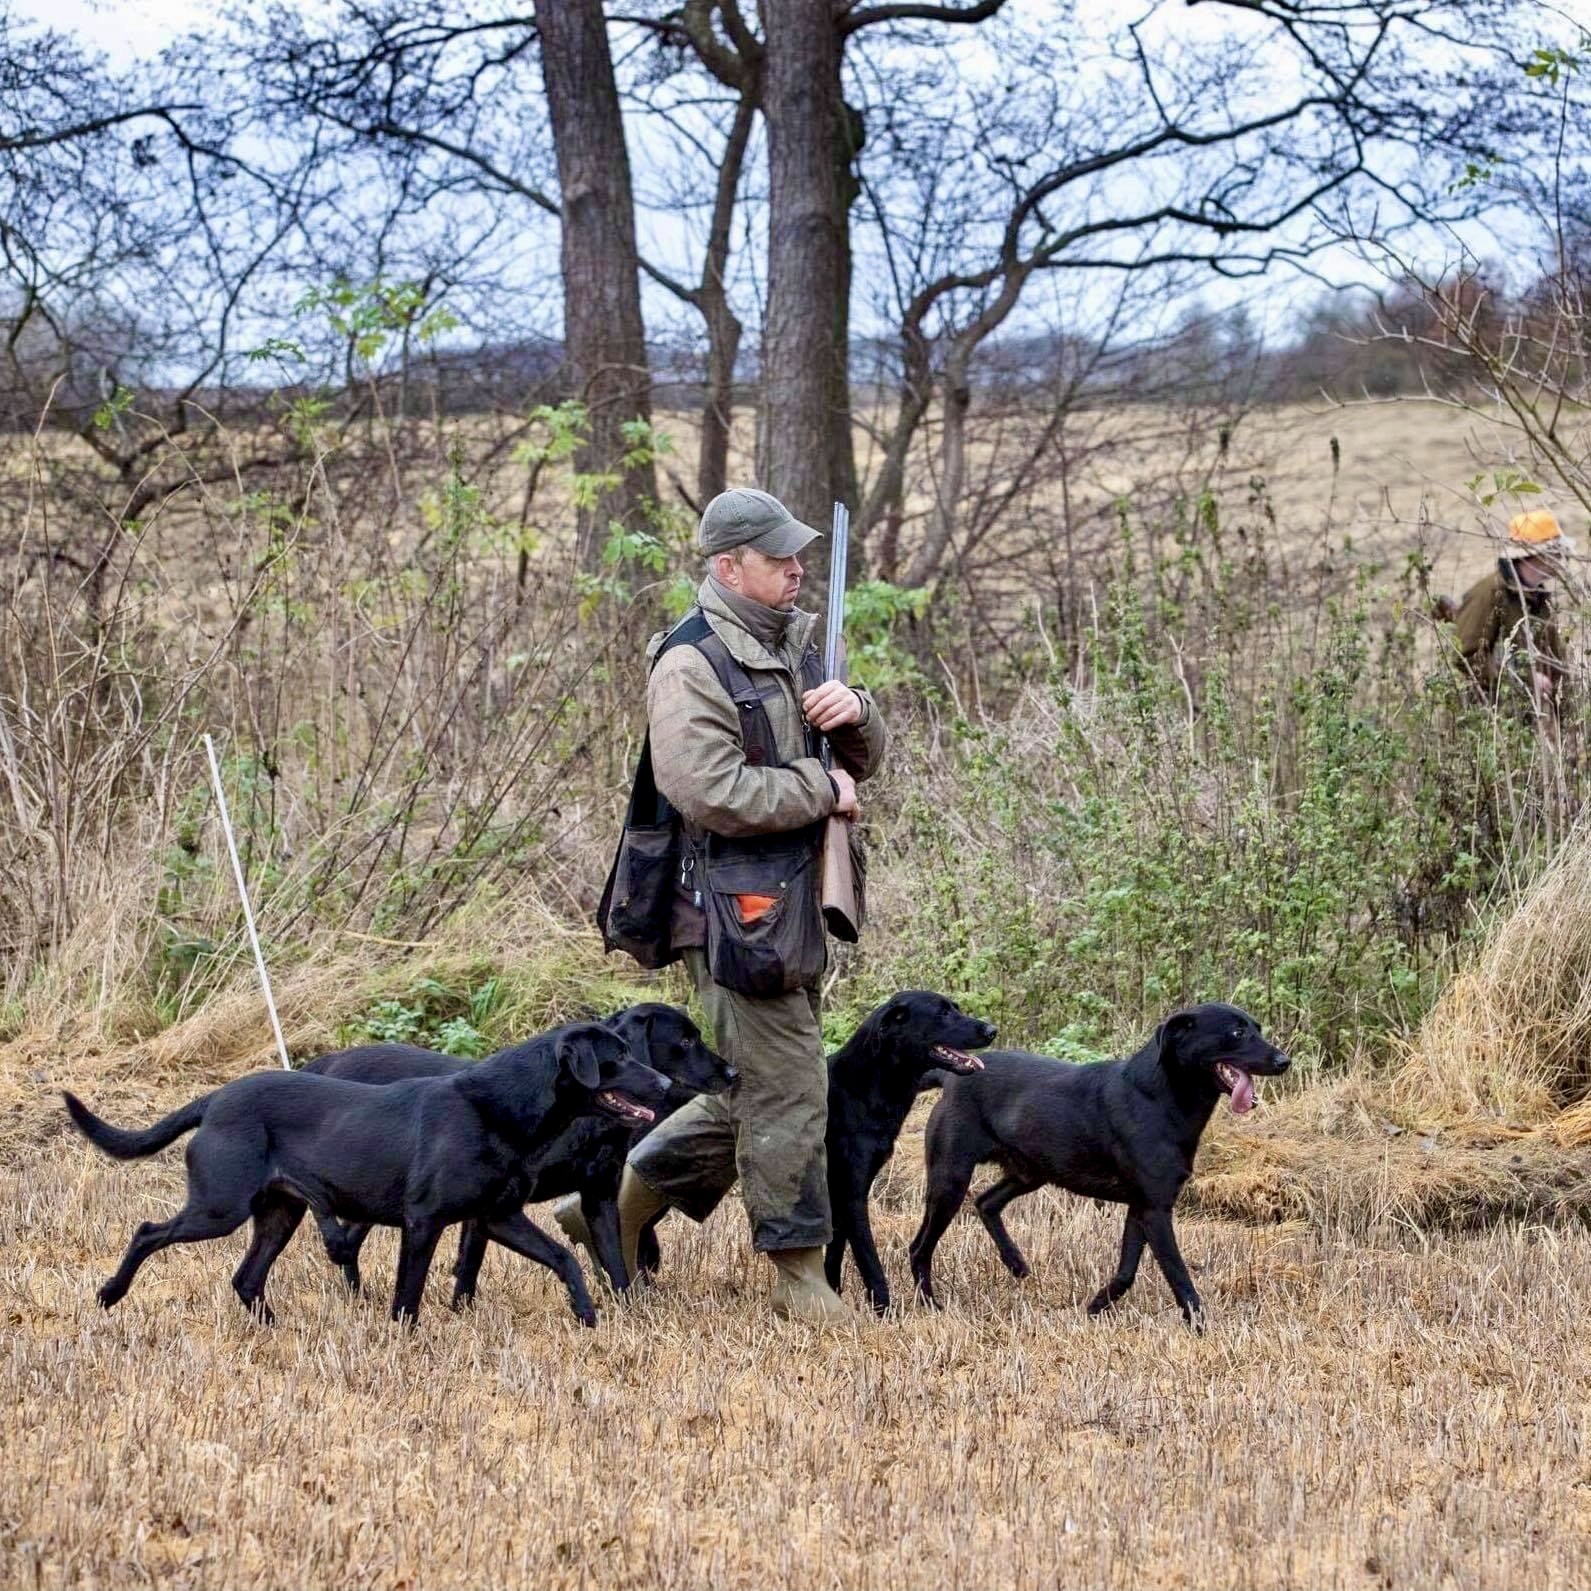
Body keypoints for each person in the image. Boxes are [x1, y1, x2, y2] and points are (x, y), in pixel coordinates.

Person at [564, 487, 887, 1324]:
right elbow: (707, 789)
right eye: (777, 557)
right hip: (733, 912)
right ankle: (798, 1274)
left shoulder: (792, 642)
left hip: (793, 906)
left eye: (795, 554)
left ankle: (613, 1208)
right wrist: (822, 785)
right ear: (726, 566)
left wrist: (857, 717)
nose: (795, 567)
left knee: (759, 1079)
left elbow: (858, 759)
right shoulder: (690, 662)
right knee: (786, 1090)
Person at [1452, 509, 1575, 711]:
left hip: (1531, 717)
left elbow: (1554, 663)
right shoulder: (1487, 594)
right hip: (1493, 719)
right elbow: (1467, 657)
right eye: (1554, 552)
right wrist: (1524, 681)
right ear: (1534, 555)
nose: (1560, 558)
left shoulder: (1538, 597)